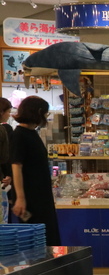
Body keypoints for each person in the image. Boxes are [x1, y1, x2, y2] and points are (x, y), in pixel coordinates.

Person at [10, 96, 60, 246]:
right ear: (39, 112)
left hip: (41, 194)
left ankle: (48, 266)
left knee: (47, 234)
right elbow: (16, 167)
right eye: (45, 114)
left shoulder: (32, 133)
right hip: (31, 197)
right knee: (38, 238)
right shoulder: (20, 135)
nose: (45, 117)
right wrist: (20, 198)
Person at [0, 97, 14, 220]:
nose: (9, 115)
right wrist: (8, 175)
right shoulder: (3, 130)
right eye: (8, 112)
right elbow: (4, 157)